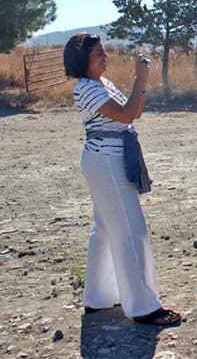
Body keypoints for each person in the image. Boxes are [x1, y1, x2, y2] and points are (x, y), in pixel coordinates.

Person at [63, 32, 180, 327]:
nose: (105, 57)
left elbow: (134, 112)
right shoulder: (86, 88)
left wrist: (139, 82)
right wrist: (140, 78)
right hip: (106, 161)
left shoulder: (103, 84)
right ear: (83, 60)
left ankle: (99, 297)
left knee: (104, 229)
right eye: (98, 54)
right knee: (131, 230)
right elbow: (127, 114)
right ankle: (143, 306)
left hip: (110, 158)